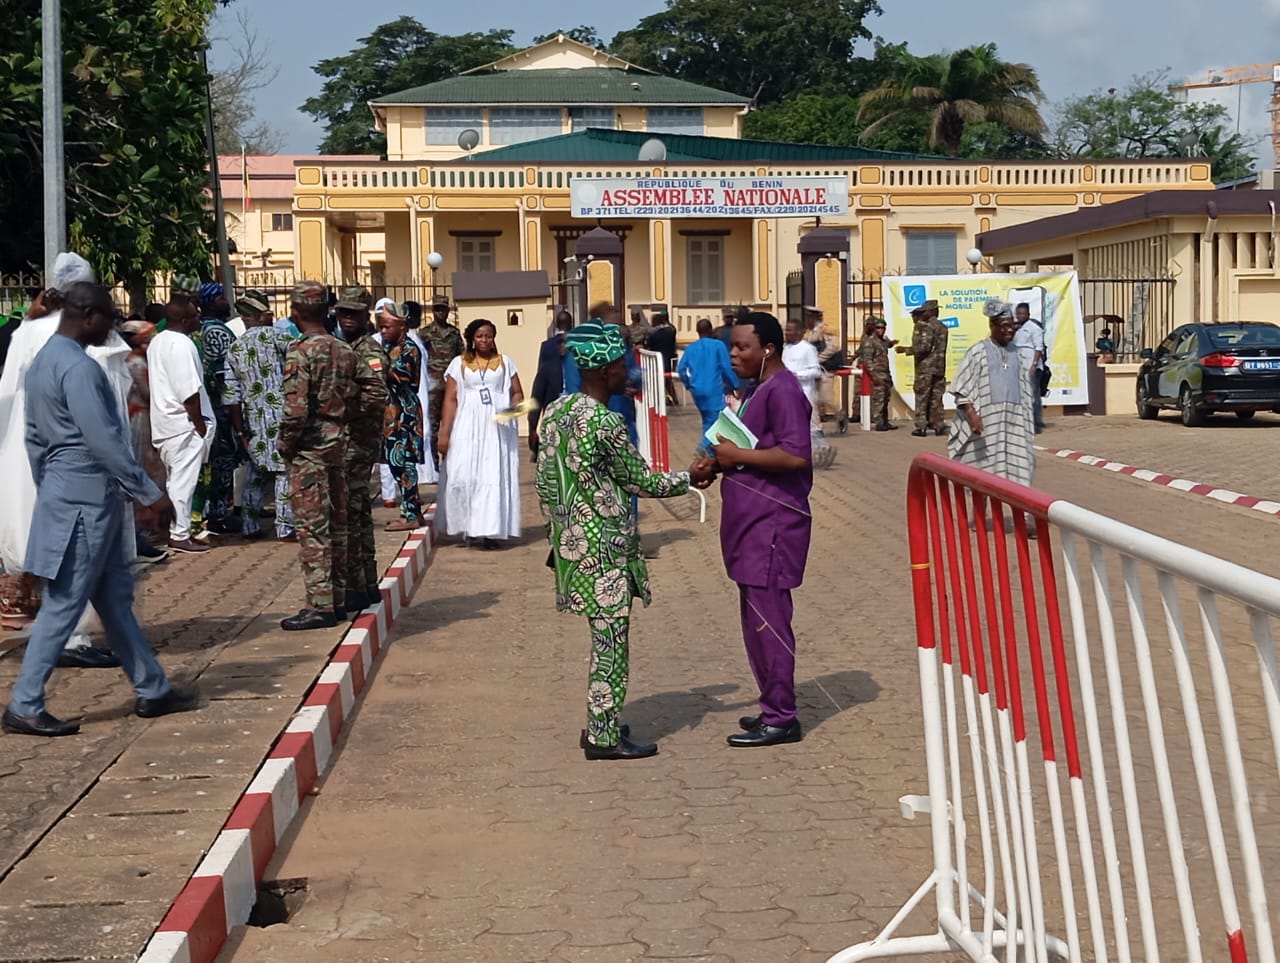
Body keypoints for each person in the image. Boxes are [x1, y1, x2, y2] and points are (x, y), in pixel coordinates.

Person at [3, 282, 200, 737]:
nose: (112, 330)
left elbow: (33, 440)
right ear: (88, 315)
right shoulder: (78, 368)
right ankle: (25, 703)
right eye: (109, 320)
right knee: (64, 602)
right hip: (85, 498)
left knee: (113, 599)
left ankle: (153, 688)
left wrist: (52, 486)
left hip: (75, 492)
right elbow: (104, 440)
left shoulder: (43, 362)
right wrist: (148, 492)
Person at [534, 321, 714, 760]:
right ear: (603, 371)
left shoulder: (557, 411)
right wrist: (690, 478)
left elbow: (544, 482)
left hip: (572, 545)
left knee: (602, 639)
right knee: (611, 646)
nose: (626, 370)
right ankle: (603, 738)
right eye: (620, 364)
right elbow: (641, 482)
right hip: (605, 552)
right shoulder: (606, 423)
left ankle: (604, 720)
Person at [0, 253, 141, 665]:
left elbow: (8, 396)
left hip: (33, 458)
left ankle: (75, 644)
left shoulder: (27, 333)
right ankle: (70, 641)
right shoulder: (92, 335)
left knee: (57, 551)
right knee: (81, 553)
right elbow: (110, 409)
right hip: (82, 464)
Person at [707, 312, 813, 748]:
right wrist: (716, 463)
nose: (734, 354)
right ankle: (771, 702)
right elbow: (749, 446)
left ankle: (782, 716)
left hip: (772, 526)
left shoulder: (784, 390)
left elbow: (796, 455)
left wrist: (737, 457)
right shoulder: (757, 389)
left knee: (770, 622)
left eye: (742, 347)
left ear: (768, 349)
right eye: (731, 346)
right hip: (749, 525)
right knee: (755, 621)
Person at [278, 280, 360, 631]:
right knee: (338, 526)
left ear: (295, 312)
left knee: (313, 529)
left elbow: (295, 411)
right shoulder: (344, 349)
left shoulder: (300, 351)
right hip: (337, 446)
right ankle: (336, 599)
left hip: (309, 451)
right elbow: (359, 397)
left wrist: (286, 444)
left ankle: (320, 605)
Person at [437, 319, 523, 548]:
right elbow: (450, 399)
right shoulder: (458, 364)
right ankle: (470, 528)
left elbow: (518, 393)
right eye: (479, 336)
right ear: (472, 339)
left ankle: (491, 531)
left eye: (489, 336)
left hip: (497, 429)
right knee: (465, 475)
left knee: (492, 476)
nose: (484, 340)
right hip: (467, 426)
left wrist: (512, 410)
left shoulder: (505, 363)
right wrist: (445, 432)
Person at [334, 287, 390, 610]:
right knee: (357, 513)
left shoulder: (368, 350)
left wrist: (343, 411)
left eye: (353, 313)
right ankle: (365, 582)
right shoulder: (346, 345)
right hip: (350, 439)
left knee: (351, 515)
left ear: (365, 315)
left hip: (358, 440)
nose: (346, 318)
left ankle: (357, 586)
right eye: (343, 312)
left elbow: (376, 394)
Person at [224, 289, 295, 542]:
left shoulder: (234, 349)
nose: (272, 317)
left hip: (253, 423)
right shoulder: (279, 338)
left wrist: (240, 431)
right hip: (283, 419)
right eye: (269, 313)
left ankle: (250, 525)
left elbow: (231, 397)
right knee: (283, 472)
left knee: (255, 473)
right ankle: (285, 527)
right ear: (258, 315)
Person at [149, 279, 214, 554]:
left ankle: (175, 530)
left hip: (165, 423)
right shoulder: (182, 344)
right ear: (185, 320)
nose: (199, 316)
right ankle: (179, 534)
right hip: (183, 424)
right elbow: (189, 392)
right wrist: (199, 425)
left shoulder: (158, 341)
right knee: (182, 483)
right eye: (196, 314)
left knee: (175, 480)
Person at [949, 299, 1036, 489]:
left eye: (1012, 326)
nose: (1009, 330)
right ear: (992, 326)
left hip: (1014, 426)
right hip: (985, 426)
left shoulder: (1018, 354)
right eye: (1004, 326)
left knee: (1017, 472)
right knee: (982, 477)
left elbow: (1025, 392)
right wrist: (971, 415)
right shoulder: (977, 352)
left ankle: (1014, 508)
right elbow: (962, 387)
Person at [379, 305, 426, 530]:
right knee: (396, 464)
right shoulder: (388, 347)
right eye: (381, 327)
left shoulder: (409, 349)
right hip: (391, 413)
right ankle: (413, 511)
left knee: (404, 464)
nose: (383, 331)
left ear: (402, 326)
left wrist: (377, 366)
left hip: (404, 414)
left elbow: (402, 375)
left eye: (387, 326)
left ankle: (410, 516)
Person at [197, 283, 239, 532]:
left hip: (213, 405)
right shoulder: (215, 331)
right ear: (211, 302)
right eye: (221, 297)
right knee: (223, 461)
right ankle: (218, 515)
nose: (226, 301)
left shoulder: (205, 328)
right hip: (221, 407)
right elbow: (223, 372)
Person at [677, 318, 739, 452]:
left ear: (697, 331)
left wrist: (688, 384)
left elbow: (681, 369)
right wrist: (735, 385)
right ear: (711, 330)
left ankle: (710, 450)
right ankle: (704, 449)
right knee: (718, 421)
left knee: (707, 419)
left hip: (697, 390)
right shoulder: (718, 346)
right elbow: (726, 367)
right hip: (713, 389)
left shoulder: (691, 348)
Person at [417, 295, 464, 469]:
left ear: (448, 311)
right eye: (437, 309)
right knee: (432, 425)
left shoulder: (454, 333)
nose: (440, 312)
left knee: (453, 423)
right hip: (432, 384)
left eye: (443, 309)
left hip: (451, 384)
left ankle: (449, 464)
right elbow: (418, 356)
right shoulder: (425, 333)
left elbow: (462, 357)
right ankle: (433, 465)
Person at [529, 310, 573, 460]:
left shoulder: (546, 346)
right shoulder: (577, 345)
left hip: (556, 405)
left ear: (557, 324)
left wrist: (532, 426)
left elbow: (538, 389)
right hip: (560, 404)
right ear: (571, 324)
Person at [901, 300, 949, 437]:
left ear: (930, 312)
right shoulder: (943, 327)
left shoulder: (924, 326)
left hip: (925, 368)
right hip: (939, 367)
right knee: (936, 397)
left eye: (925, 311)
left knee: (922, 396)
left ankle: (921, 427)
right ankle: (938, 425)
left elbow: (924, 347)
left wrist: (906, 350)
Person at [1013, 301, 1046, 433]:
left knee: (1032, 395)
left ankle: (1035, 424)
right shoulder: (1016, 328)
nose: (1020, 316)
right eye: (1018, 314)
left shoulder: (1034, 328)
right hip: (1020, 365)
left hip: (1032, 366)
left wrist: (1034, 365)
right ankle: (1029, 422)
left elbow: (1039, 348)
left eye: (1022, 313)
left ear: (1028, 314)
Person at [803, 306, 840, 421]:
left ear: (816, 318)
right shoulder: (809, 332)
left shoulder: (826, 330)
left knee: (826, 397)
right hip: (813, 370)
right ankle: (816, 423)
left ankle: (840, 415)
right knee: (813, 397)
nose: (807, 319)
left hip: (825, 368)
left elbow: (833, 347)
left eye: (810, 317)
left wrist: (817, 360)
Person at [861, 317, 897, 432]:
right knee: (879, 399)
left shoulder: (883, 341)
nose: (880, 330)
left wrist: (893, 343)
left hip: (885, 373)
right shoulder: (870, 342)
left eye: (882, 328)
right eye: (878, 328)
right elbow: (867, 360)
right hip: (877, 373)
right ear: (874, 329)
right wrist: (873, 375)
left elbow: (889, 345)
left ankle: (885, 421)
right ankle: (879, 423)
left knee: (886, 399)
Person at [646, 310, 679, 405]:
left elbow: (650, 347)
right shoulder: (670, 331)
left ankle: (660, 400)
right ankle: (674, 398)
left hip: (657, 360)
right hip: (668, 358)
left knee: (657, 381)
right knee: (668, 381)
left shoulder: (653, 334)